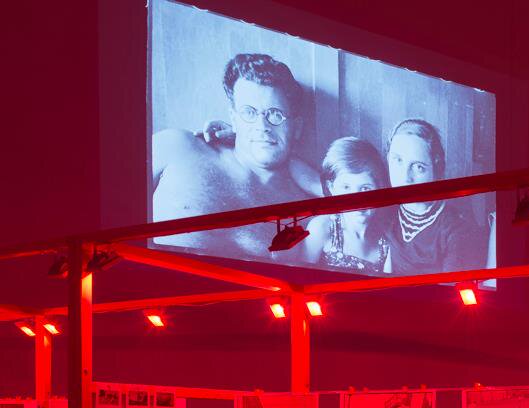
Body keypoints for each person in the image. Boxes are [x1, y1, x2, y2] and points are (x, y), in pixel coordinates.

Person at [152, 53, 317, 258]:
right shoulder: (178, 146)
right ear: (234, 118)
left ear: (297, 127)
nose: (262, 126)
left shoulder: (307, 213)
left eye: (275, 114)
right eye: (249, 112)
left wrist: (315, 182)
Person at [275, 137, 391, 275]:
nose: (356, 200)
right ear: (332, 188)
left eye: (365, 188)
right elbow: (301, 277)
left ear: (379, 189)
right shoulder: (323, 228)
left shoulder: (386, 238)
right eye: (346, 187)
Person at [384, 119, 486, 275]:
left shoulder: (456, 230)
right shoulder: (383, 214)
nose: (405, 177)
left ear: (436, 171)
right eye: (398, 160)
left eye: (418, 167)